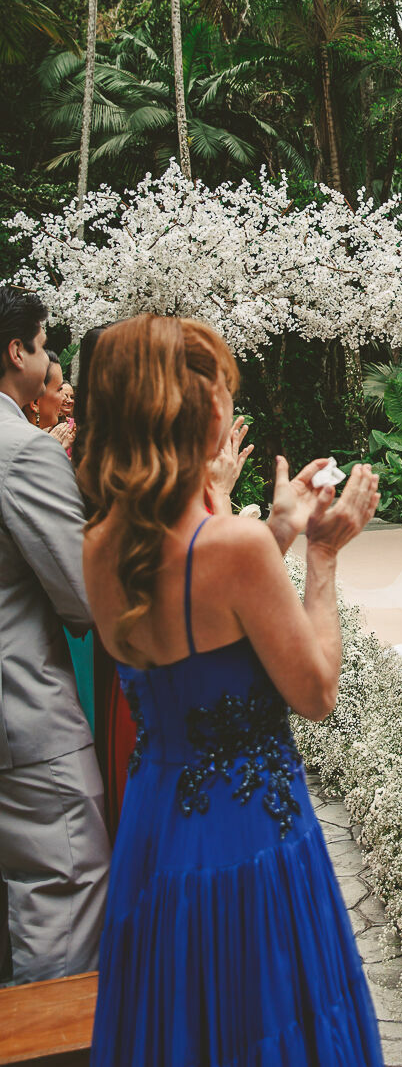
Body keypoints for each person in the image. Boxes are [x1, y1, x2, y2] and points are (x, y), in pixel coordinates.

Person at [80, 315, 384, 1066]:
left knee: (182, 1024)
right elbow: (315, 691)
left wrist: (272, 528)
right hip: (248, 837)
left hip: (154, 829)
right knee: (262, 1017)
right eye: (219, 389)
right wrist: (319, 553)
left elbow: (200, 633)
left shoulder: (100, 547)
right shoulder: (234, 549)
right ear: (198, 410)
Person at [0, 287, 110, 982]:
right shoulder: (22, 451)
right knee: (64, 891)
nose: (50, 364)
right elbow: (82, 599)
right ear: (17, 351)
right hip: (24, 716)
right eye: (43, 347)